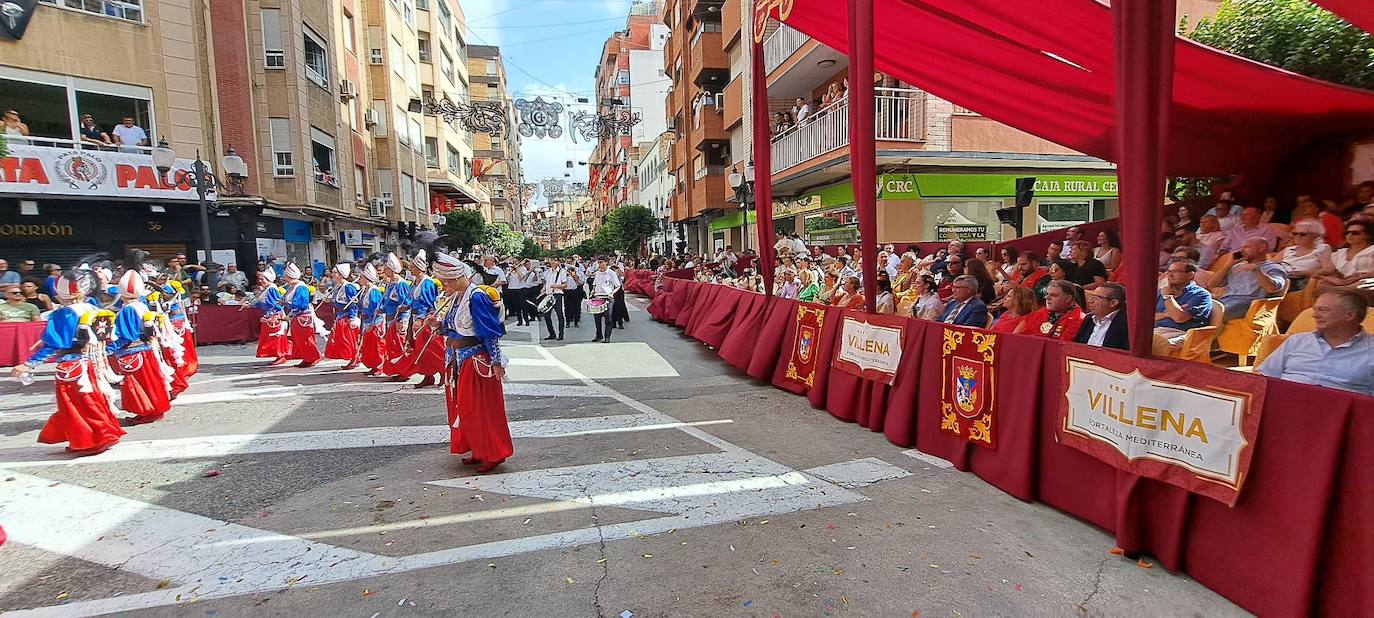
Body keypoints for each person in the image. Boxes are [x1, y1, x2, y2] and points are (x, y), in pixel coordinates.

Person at [9, 270, 126, 455]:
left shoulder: (65, 314)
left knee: (75, 404)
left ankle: (90, 440)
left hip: (71, 363)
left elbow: (55, 343)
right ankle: (103, 434)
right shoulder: (94, 308)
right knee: (93, 400)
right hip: (93, 361)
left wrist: (28, 364)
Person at [432, 253, 513, 473]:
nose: (445, 285)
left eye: (447, 281)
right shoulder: (457, 297)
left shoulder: (476, 297)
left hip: (476, 359)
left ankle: (493, 453)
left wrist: (496, 361)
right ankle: (477, 449)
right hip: (459, 359)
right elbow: (453, 328)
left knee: (481, 409)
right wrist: (438, 325)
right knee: (465, 408)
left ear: (458, 277)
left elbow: (490, 332)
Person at [1257, 289, 1373, 396]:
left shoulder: (1370, 350)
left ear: (1349, 315)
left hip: (1340, 413)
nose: (1315, 315)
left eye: (1323, 310)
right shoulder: (1297, 341)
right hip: (1285, 404)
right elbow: (1264, 378)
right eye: (1315, 309)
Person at [107, 269, 173, 421]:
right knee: (151, 380)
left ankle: (146, 411)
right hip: (148, 348)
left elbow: (126, 335)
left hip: (132, 351)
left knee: (138, 383)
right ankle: (155, 409)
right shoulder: (142, 305)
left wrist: (109, 349)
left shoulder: (127, 310)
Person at [396, 251, 446, 388]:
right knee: (421, 349)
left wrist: (420, 319)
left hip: (426, 320)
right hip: (415, 317)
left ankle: (443, 372)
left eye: (412, 267)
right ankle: (427, 375)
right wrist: (405, 307)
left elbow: (426, 302)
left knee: (433, 347)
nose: (410, 269)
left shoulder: (427, 283)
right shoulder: (414, 283)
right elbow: (410, 299)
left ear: (419, 268)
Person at [1212, 237, 1287, 321]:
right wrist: (1229, 265)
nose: (1242, 250)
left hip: (1249, 303)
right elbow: (1212, 284)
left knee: (1212, 313)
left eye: (1247, 247)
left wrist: (1256, 270)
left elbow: (1272, 288)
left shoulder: (1274, 268)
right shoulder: (1237, 266)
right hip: (1226, 299)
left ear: (1262, 248)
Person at [1151, 260, 1215, 355]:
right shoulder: (1162, 292)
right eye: (1169, 271)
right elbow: (1148, 317)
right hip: (1158, 330)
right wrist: (1168, 313)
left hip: (1182, 333)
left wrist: (1168, 297)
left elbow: (1179, 318)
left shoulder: (1201, 294)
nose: (1170, 275)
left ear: (1190, 275)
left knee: (1156, 345)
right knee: (1132, 339)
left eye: (1175, 271)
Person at [282, 262, 323, 367]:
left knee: (306, 338)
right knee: (299, 339)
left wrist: (286, 303)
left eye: (286, 275)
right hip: (296, 315)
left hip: (303, 316)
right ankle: (306, 357)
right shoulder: (292, 287)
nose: (284, 277)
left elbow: (302, 303)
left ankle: (314, 356)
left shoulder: (301, 287)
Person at [379, 253, 413, 377]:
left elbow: (407, 303)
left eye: (386, 269)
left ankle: (405, 371)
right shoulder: (390, 284)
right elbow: (387, 301)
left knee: (400, 346)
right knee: (392, 347)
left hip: (398, 320)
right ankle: (396, 370)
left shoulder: (401, 284)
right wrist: (381, 309)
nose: (384, 271)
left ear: (392, 270)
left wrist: (401, 320)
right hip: (389, 319)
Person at [322, 263, 362, 369]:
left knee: (349, 340)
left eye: (335, 272)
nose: (332, 274)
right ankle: (353, 358)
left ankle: (356, 358)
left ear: (341, 274)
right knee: (341, 340)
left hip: (346, 317)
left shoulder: (348, 287)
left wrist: (352, 317)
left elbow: (353, 303)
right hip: (339, 316)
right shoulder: (338, 287)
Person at [1316, 218, 1374, 287]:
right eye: (1347, 233)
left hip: (1366, 282)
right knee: (1321, 283)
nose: (1350, 235)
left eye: (1355, 233)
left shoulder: (1372, 250)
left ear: (1367, 235)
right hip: (1342, 283)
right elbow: (1329, 271)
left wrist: (1355, 279)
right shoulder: (1339, 254)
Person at [247, 270, 290, 364]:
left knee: (276, 336)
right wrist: (252, 305)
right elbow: (263, 303)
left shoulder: (272, 289)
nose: (260, 281)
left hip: (275, 315)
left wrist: (269, 316)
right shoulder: (266, 288)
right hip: (269, 315)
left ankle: (281, 355)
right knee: (270, 336)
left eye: (262, 279)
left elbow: (277, 304)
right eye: (259, 279)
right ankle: (278, 355)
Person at [1277, 220, 1330, 291]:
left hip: (1301, 280)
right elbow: (1268, 264)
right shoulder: (1289, 249)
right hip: (1281, 277)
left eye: (1302, 234)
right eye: (1295, 233)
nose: (1297, 236)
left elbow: (1327, 270)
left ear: (1315, 235)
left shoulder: (1322, 248)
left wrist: (1304, 273)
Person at [1074, 282, 1129, 350]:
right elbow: (1076, 345)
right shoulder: (1089, 319)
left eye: (1096, 298)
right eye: (1091, 296)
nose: (1090, 301)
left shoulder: (1126, 324)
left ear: (1113, 303)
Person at [355, 263, 387, 375]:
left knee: (376, 345)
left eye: (361, 277)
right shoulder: (365, 291)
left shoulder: (374, 291)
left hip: (373, 322)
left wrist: (372, 323)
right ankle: (373, 365)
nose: (359, 280)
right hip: (366, 321)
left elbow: (376, 308)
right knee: (369, 346)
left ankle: (379, 366)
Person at [590, 257, 621, 343]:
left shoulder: (611, 273)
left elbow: (617, 285)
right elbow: (595, 284)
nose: (599, 264)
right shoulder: (597, 273)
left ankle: (607, 337)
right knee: (597, 318)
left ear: (606, 263)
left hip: (607, 297)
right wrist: (592, 291)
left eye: (601, 262)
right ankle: (598, 335)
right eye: (598, 262)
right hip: (597, 297)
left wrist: (612, 293)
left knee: (608, 318)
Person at [541, 257, 570, 341]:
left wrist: (556, 286)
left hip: (557, 294)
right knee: (546, 315)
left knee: (559, 314)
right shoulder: (547, 272)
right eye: (552, 260)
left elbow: (565, 285)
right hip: (548, 294)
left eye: (555, 260)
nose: (553, 262)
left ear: (558, 262)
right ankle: (552, 334)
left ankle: (561, 334)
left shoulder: (562, 271)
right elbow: (546, 283)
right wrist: (543, 289)